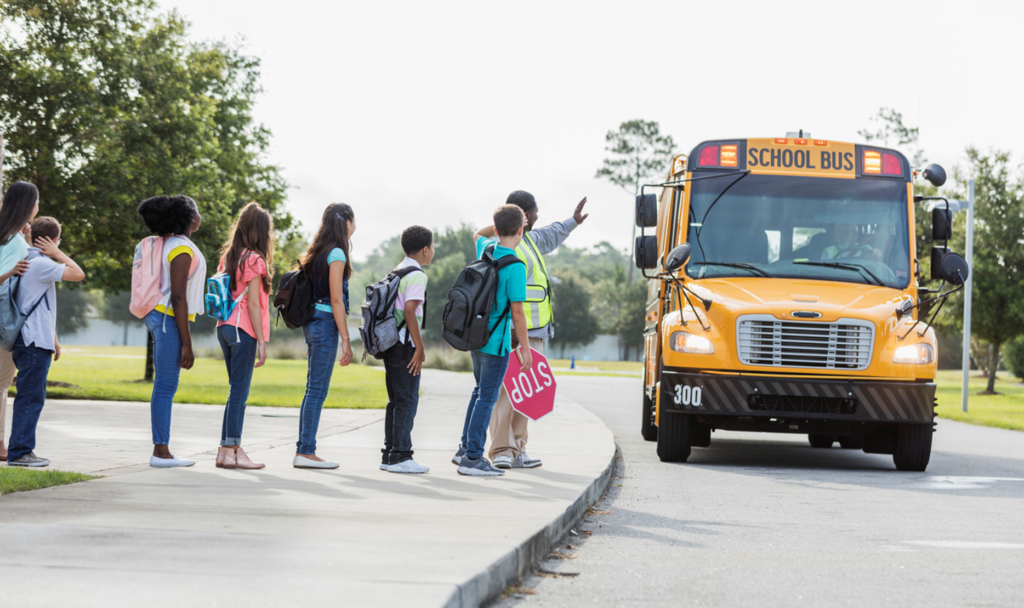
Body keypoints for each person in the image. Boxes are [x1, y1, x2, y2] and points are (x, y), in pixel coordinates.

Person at [482, 190, 589, 469]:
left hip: (536, 330)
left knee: (527, 392)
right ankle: (502, 450)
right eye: (535, 212)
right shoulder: (501, 245)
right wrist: (504, 217)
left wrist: (573, 221)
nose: (539, 216)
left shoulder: (530, 239)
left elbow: (552, 232)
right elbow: (479, 235)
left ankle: (518, 448)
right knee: (506, 392)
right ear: (525, 216)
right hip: (513, 331)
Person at [453, 204, 532, 477]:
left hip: (474, 337)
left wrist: (498, 223)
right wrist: (525, 348)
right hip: (496, 343)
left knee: (479, 394)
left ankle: (464, 450)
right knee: (487, 398)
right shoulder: (516, 266)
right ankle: (473, 458)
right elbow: (518, 314)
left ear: (496, 230)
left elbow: (477, 233)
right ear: (522, 229)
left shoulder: (486, 249)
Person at [6, 217, 85, 467]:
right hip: (32, 342)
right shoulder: (40, 263)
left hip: (29, 338)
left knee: (30, 395)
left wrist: (53, 338)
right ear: (52, 240)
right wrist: (57, 252)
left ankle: (22, 449)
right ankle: (20, 452)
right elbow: (78, 273)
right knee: (31, 397)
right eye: (58, 240)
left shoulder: (28, 261)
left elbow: (36, 303)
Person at [137, 194, 207, 468]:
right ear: (191, 218)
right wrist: (187, 344)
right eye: (198, 211)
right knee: (165, 386)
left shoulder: (168, 243)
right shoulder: (180, 247)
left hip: (161, 316)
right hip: (168, 318)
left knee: (164, 385)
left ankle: (162, 449)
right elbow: (178, 297)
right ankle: (161, 452)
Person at [293, 203, 355, 469]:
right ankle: (305, 451)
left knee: (313, 389)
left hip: (312, 323)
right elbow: (336, 300)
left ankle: (305, 450)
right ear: (346, 223)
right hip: (326, 322)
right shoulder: (337, 253)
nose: (355, 228)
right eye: (354, 222)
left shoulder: (317, 251)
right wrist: (346, 339)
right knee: (317, 390)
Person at [214, 203, 275, 470]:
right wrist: (261, 341)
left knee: (235, 391)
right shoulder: (255, 260)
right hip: (243, 330)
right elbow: (252, 304)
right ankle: (233, 452)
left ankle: (226, 450)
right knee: (240, 392)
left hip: (224, 328)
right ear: (261, 231)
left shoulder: (229, 256)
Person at [380, 226, 434, 474]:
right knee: (408, 400)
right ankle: (401, 455)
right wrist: (419, 348)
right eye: (432, 248)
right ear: (425, 249)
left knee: (396, 400)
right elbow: (410, 312)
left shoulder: (397, 270)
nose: (432, 252)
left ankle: (390, 453)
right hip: (405, 345)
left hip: (391, 343)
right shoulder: (417, 275)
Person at [0, 182, 37, 461]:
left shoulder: (10, 237)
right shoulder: (14, 242)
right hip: (5, 324)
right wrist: (12, 270)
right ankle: (0, 443)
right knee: (2, 384)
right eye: (37, 202)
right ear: (29, 206)